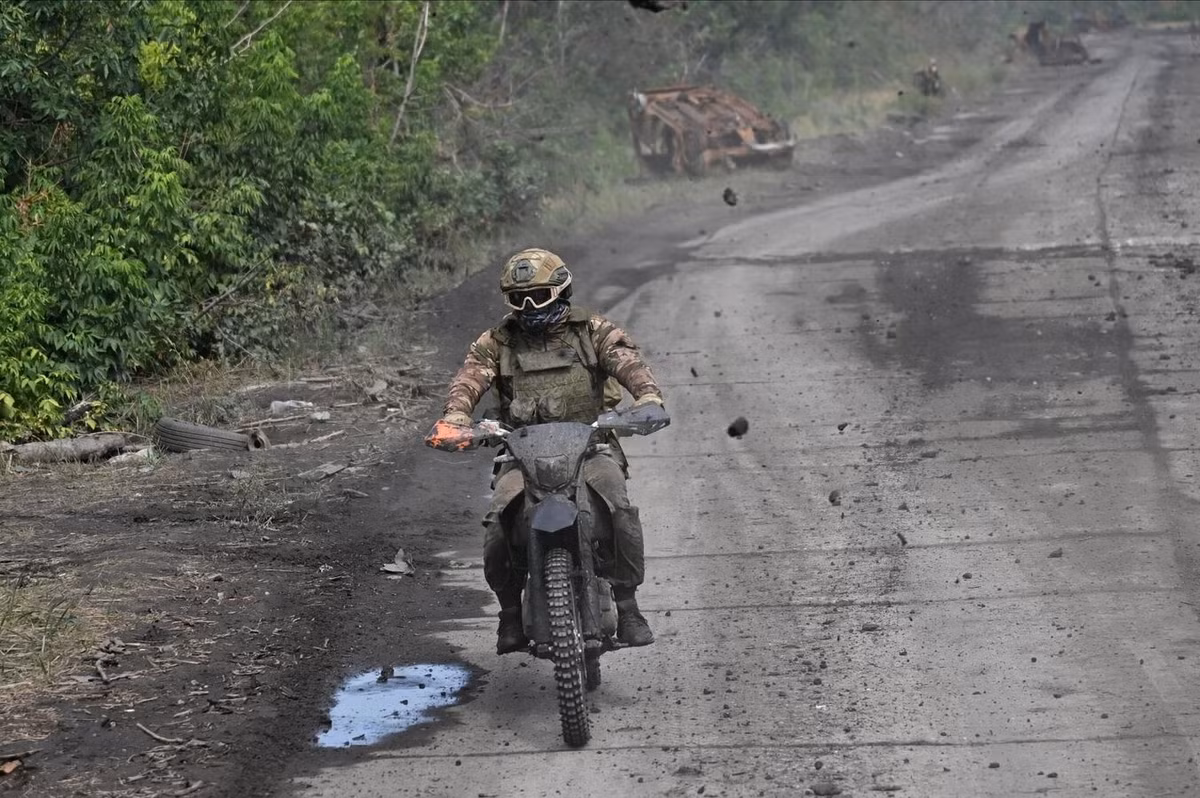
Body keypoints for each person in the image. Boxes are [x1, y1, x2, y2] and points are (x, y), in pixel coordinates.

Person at [430, 248, 666, 655]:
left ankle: (628, 607)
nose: (528, 307)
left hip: (590, 447)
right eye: (518, 298)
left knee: (619, 508)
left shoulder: (591, 330)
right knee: (498, 522)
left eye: (538, 296)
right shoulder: (496, 342)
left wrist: (646, 397)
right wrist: (455, 417)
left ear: (561, 291)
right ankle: (508, 614)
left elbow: (626, 360)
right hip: (520, 453)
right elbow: (469, 380)